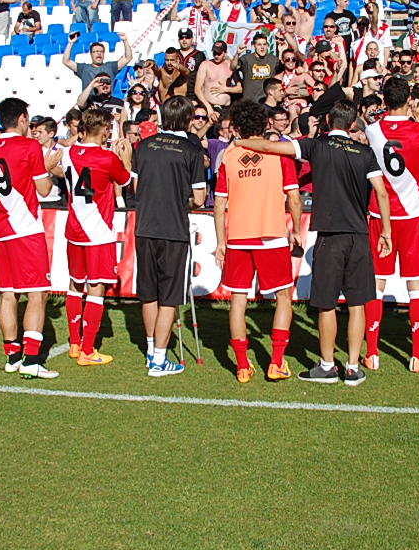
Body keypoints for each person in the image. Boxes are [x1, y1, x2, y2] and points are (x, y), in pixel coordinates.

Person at [235, 101, 391, 386]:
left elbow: (271, 148)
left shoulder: (316, 146)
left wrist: (240, 141)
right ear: (353, 123)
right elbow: (381, 192)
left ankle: (328, 365)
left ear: (329, 119)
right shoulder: (364, 152)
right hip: (358, 235)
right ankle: (353, 367)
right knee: (357, 304)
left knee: (326, 304)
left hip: (330, 236)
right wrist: (387, 232)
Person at [213, 100, 304, 383]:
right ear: (265, 124)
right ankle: (276, 362)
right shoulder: (279, 155)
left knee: (239, 301)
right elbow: (294, 198)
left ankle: (242, 365)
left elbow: (219, 203)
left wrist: (220, 241)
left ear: (237, 127)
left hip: (239, 236)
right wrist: (297, 229)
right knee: (283, 297)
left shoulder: (229, 157)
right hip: (272, 235)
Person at [130, 97, 211, 377]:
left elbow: (137, 187)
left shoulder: (144, 146)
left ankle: (152, 349)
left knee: (149, 293)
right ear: (188, 119)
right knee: (169, 297)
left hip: (145, 226)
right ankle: (159, 359)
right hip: (173, 229)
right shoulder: (190, 150)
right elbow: (199, 198)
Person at [363, 76, 419, 372]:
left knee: (377, 284)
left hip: (381, 213)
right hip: (412, 214)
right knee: (416, 285)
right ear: (409, 99)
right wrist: (417, 117)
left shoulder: (372, 130)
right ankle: (417, 355)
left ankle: (372, 353)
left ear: (383, 101)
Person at [0, 97, 60, 379]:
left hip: (2, 226)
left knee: (8, 294)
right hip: (26, 227)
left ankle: (12, 355)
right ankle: (31, 360)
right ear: (21, 119)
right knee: (37, 292)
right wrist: (49, 166)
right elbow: (43, 189)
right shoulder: (29, 146)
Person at [61, 106, 130, 367]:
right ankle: (88, 350)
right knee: (96, 288)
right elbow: (124, 180)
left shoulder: (67, 153)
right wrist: (126, 158)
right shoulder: (106, 158)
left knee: (75, 284)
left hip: (73, 229)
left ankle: (74, 342)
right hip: (98, 232)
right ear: (102, 130)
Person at [235, 32, 282, 103]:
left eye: (264, 44)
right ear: (253, 46)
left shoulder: (273, 59)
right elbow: (233, 67)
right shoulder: (246, 59)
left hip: (267, 103)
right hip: (249, 102)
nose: (262, 47)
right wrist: (237, 54)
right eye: (259, 45)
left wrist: (281, 52)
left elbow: (283, 70)